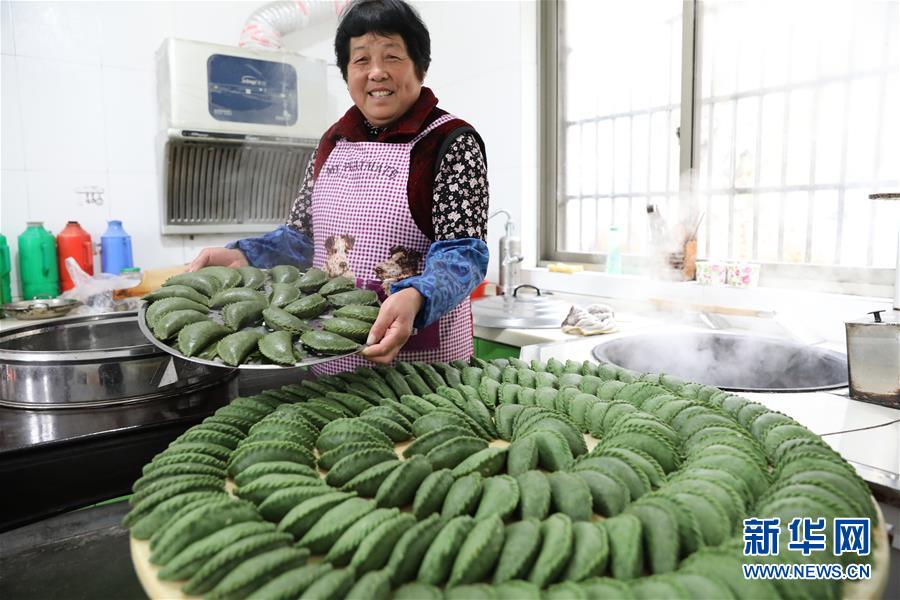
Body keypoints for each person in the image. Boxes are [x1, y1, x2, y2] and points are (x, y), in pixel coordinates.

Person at [188, 0, 489, 371]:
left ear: (420, 67)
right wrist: (246, 254)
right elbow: (301, 238)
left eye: (392, 56)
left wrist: (418, 295)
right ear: (347, 74)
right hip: (330, 357)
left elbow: (464, 253)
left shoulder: (448, 142)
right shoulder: (333, 142)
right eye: (361, 60)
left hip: (419, 365)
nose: (376, 72)